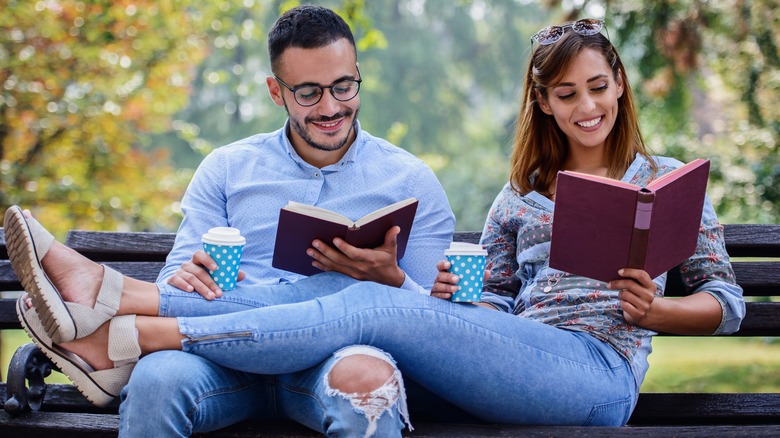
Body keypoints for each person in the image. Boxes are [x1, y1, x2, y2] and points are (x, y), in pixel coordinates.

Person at [11, 17, 745, 431]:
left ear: (619, 84)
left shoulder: (669, 182)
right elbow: (484, 309)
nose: (587, 105)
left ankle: (126, 315)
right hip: (521, 352)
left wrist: (662, 308)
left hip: (597, 372)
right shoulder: (520, 195)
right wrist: (458, 294)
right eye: (566, 92)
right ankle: (131, 318)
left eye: (598, 86)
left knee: (371, 302)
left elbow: (727, 302)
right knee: (370, 300)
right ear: (545, 103)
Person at [4, 5, 455, 437]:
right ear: (276, 91)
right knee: (157, 381)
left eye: (343, 86)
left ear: (358, 76)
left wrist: (393, 282)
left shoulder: (410, 180)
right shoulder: (227, 167)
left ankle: (106, 300)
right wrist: (188, 275)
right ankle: (106, 300)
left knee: (369, 382)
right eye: (308, 92)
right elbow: (178, 277)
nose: (330, 107)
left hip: (337, 358)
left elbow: (442, 332)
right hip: (216, 356)